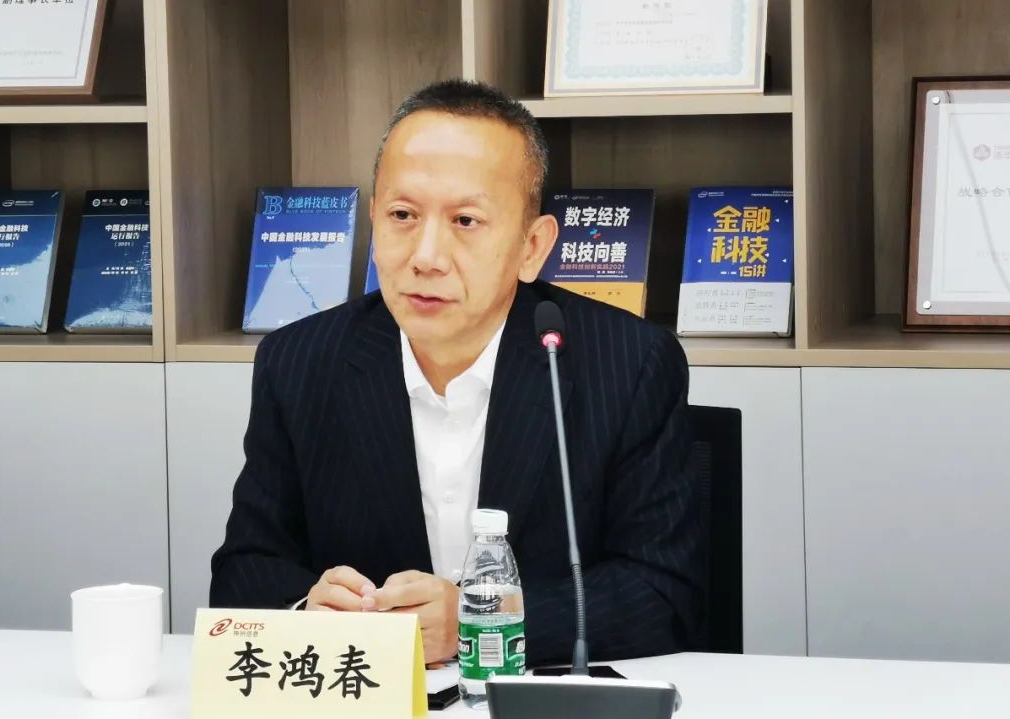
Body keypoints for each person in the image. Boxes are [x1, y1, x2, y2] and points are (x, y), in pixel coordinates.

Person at [210, 79, 705, 667]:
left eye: (466, 221)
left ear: (532, 247)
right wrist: (305, 612)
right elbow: (244, 571)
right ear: (373, 221)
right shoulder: (298, 364)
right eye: (402, 215)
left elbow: (662, 593)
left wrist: (483, 621)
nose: (426, 256)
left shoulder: (627, 364)